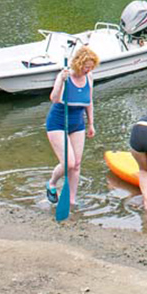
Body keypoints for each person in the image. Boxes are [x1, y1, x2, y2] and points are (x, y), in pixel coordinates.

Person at [45, 45, 98, 207]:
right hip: (58, 122)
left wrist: (91, 123)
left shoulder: (89, 77)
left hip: (77, 123)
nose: (87, 70)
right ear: (78, 64)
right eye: (85, 67)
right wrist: (61, 80)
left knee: (77, 164)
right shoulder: (65, 76)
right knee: (68, 163)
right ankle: (52, 184)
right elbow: (54, 99)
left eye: (90, 67)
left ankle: (72, 200)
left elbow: (89, 102)